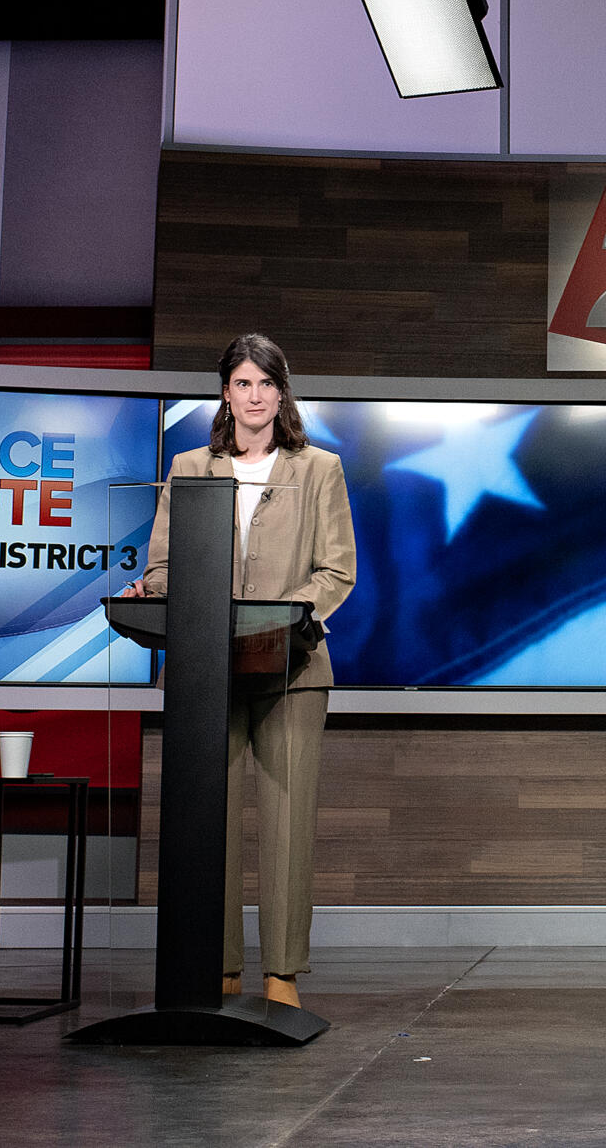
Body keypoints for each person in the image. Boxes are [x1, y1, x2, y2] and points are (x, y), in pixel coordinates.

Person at [138, 333, 356, 1011]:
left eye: (266, 383)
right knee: (213, 821)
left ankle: (282, 971)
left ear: (281, 393)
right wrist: (153, 588)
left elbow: (336, 570)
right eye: (242, 382)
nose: (255, 395)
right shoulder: (190, 466)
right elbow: (164, 566)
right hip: (209, 668)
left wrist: (290, 615)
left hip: (289, 666)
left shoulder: (318, 468)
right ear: (224, 392)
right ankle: (219, 962)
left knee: (288, 823)